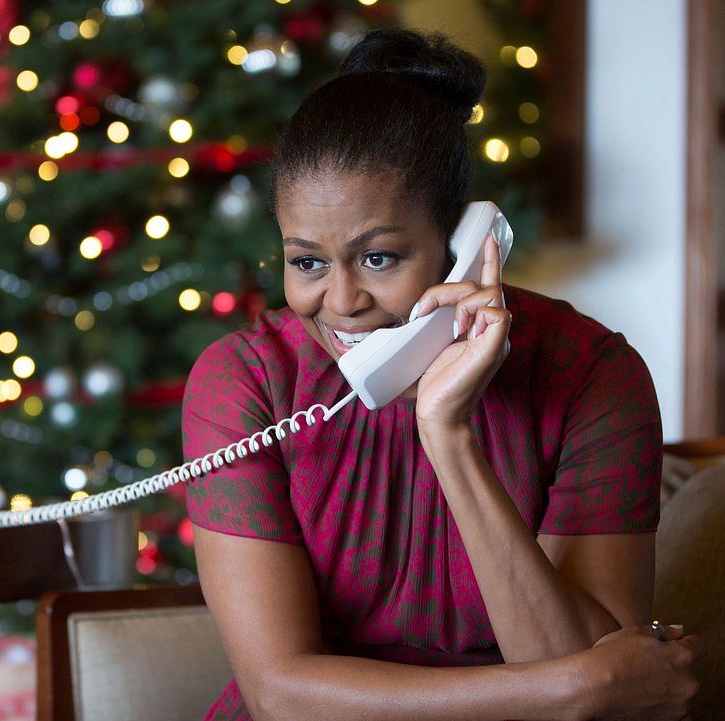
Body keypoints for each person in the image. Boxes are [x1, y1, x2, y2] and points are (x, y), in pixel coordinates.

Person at [181, 28, 704, 721]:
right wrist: (576, 687)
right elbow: (281, 695)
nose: (339, 303)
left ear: (465, 243)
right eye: (307, 262)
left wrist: (447, 433)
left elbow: (592, 680)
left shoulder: (593, 377)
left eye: (379, 258)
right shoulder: (243, 382)